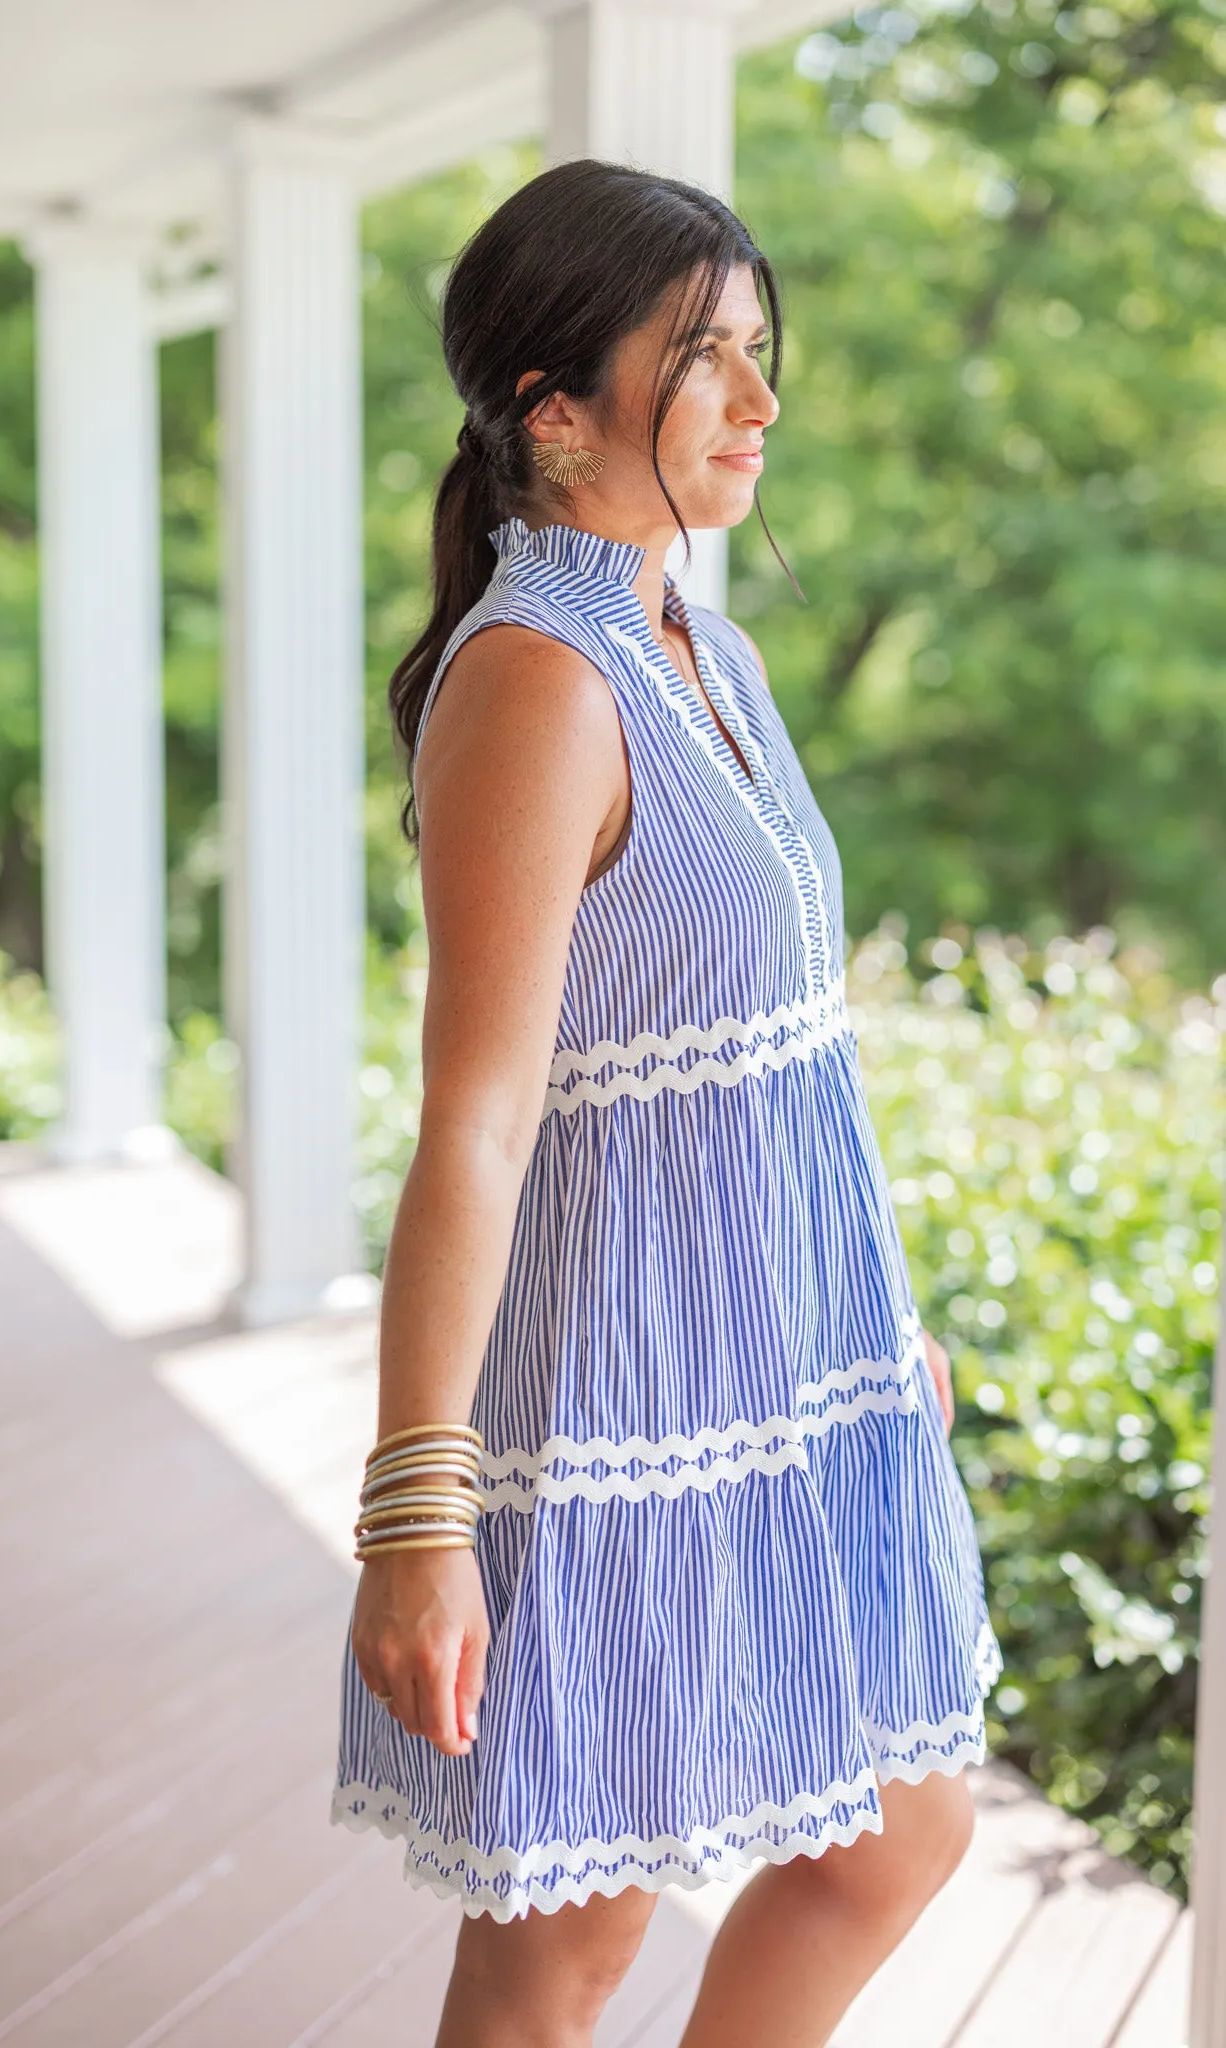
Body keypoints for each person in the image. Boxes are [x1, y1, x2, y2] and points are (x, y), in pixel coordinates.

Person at [330, 158, 1002, 2048]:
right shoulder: (538, 684)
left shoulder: (705, 650)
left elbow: (776, 1046)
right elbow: (476, 1118)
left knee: (895, 1827)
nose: (761, 404)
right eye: (706, 363)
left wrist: (872, 1320)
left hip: (786, 1372)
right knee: (566, 1941)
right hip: (618, 1393)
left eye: (758, 356)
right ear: (556, 410)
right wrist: (415, 1517)